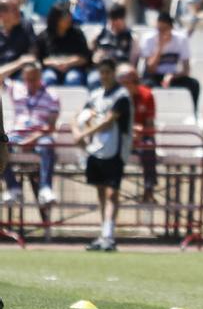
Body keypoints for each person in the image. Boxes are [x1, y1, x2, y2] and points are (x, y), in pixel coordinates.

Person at [72, 58, 132, 252]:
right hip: (96, 149)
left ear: (114, 73)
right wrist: (75, 131)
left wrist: (84, 134)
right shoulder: (95, 95)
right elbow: (77, 115)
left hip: (115, 149)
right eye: (102, 72)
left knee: (112, 192)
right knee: (100, 191)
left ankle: (109, 235)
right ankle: (103, 233)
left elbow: (109, 121)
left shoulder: (121, 95)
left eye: (108, 72)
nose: (105, 76)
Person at [0, 57, 59, 206]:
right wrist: (19, 62)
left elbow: (51, 127)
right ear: (23, 77)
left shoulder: (52, 95)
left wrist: (32, 138)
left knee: (47, 144)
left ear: (40, 76)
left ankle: (45, 189)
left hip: (39, 136)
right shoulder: (17, 88)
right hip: (17, 135)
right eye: (28, 78)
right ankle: (13, 188)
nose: (31, 82)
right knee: (1, 144)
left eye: (34, 78)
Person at [139, 12, 200, 112]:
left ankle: (193, 113)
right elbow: (150, 69)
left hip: (173, 77)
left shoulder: (181, 39)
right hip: (154, 76)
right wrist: (160, 47)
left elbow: (186, 69)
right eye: (159, 29)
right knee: (145, 86)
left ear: (171, 28)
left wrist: (172, 76)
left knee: (193, 84)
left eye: (164, 29)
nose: (161, 33)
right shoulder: (148, 39)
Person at [117, 62, 157, 203]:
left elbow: (150, 127)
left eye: (127, 82)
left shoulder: (147, 95)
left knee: (149, 145)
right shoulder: (115, 97)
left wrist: (141, 132)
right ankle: (113, 189)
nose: (124, 86)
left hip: (140, 139)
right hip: (119, 137)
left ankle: (149, 189)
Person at [36, 3, 90, 86]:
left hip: (74, 68)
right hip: (51, 69)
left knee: (72, 78)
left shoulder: (77, 34)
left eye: (69, 15)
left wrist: (67, 63)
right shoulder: (44, 36)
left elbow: (84, 57)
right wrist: (55, 64)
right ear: (56, 19)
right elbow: (40, 59)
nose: (69, 19)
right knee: (48, 78)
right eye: (65, 16)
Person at [87, 4, 140, 88]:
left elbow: (132, 62)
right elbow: (90, 51)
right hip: (102, 69)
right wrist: (95, 56)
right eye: (111, 20)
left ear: (123, 19)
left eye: (116, 20)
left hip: (121, 71)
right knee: (93, 80)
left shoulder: (132, 37)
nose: (113, 24)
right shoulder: (100, 33)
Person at [0, 0, 38, 75]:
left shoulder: (26, 27)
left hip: (21, 75)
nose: (19, 12)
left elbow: (32, 57)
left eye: (18, 8)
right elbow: (23, 61)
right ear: (1, 14)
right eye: (14, 10)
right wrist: (19, 62)